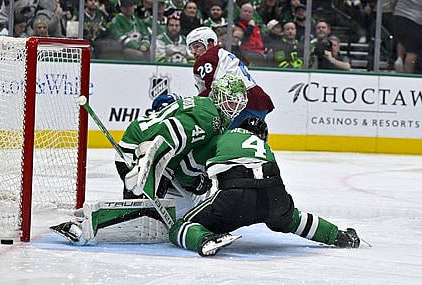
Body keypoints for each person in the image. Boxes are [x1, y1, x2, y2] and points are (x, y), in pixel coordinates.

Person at [169, 117, 361, 257]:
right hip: (274, 195)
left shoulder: (222, 138)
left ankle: (204, 240)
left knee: (180, 226)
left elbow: (187, 167)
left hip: (235, 198)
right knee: (294, 219)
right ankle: (340, 236)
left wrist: (193, 183)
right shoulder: (263, 147)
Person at [115, 74, 248, 201]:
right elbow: (168, 131)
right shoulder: (210, 118)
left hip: (138, 141)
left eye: (238, 105)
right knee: (142, 205)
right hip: (135, 149)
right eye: (230, 103)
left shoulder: (206, 107)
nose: (234, 109)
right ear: (218, 96)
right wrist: (151, 165)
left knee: (144, 206)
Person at [186, 26, 274, 129]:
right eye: (191, 48)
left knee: (229, 140)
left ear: (209, 43)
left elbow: (216, 88)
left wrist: (196, 104)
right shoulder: (221, 53)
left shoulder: (207, 58)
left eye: (197, 47)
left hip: (244, 104)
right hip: (256, 100)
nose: (193, 52)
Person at [392, 0, 422, 74]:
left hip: (399, 14)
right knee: (412, 51)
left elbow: (392, 1)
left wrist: (395, 10)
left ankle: (400, 58)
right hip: (415, 18)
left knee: (402, 40)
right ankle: (407, 73)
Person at [234, 2, 267, 67]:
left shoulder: (257, 26)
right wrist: (250, 27)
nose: (247, 13)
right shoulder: (237, 25)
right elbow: (244, 39)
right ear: (240, 12)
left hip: (260, 52)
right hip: (247, 52)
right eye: (245, 11)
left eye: (249, 12)